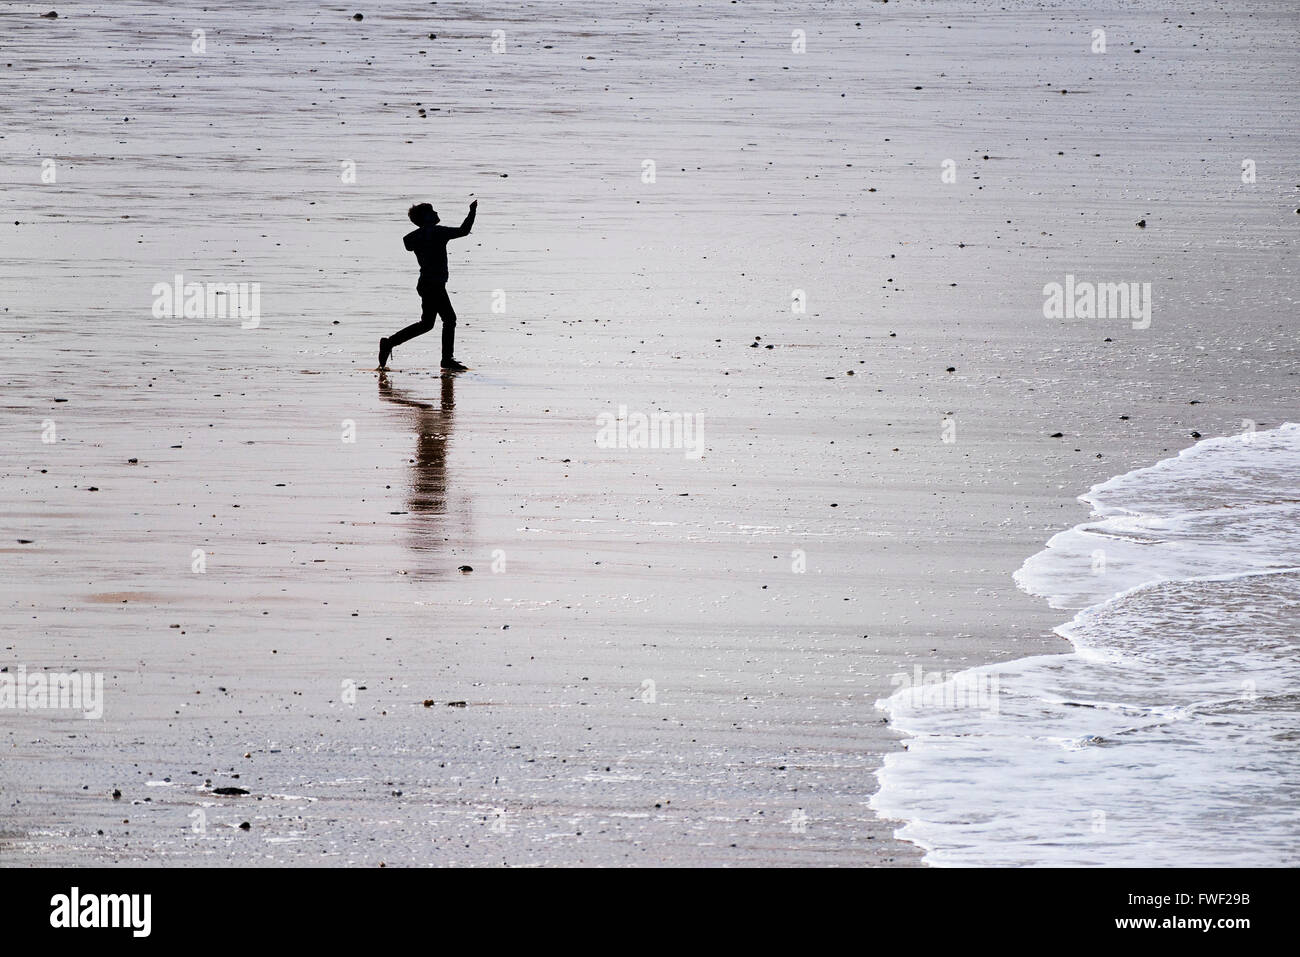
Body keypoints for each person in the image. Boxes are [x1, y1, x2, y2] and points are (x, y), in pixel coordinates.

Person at [379, 199, 477, 371]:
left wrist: (423, 231)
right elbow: (464, 230)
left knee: (427, 324)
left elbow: (407, 242)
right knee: (449, 319)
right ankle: (446, 360)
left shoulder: (416, 236)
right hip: (434, 284)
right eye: (432, 212)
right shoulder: (438, 232)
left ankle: (389, 342)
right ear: (426, 217)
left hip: (425, 284)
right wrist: (472, 212)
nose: (437, 213)